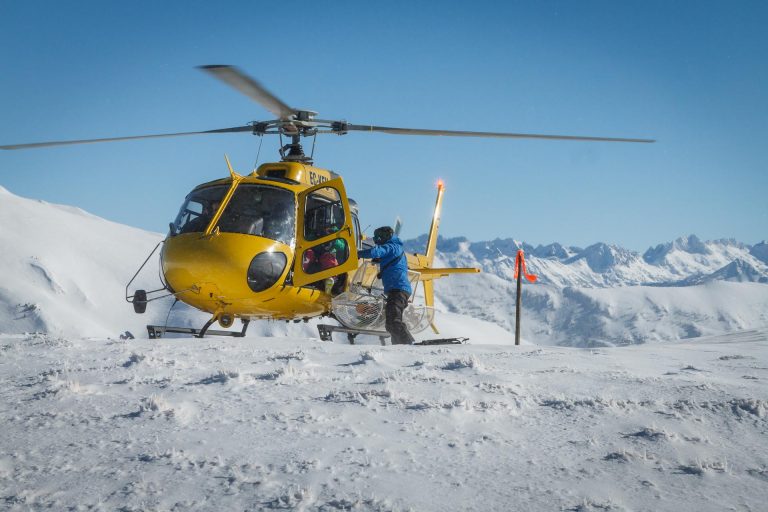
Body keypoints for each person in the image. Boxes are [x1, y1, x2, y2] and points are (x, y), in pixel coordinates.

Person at [358, 226, 415, 345]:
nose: (376, 240)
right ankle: (398, 346)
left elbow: (375, 251)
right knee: (390, 323)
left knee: (393, 322)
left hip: (398, 289)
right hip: (398, 289)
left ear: (385, 237)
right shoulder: (396, 249)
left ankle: (410, 345)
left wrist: (357, 253)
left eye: (378, 237)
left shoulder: (392, 246)